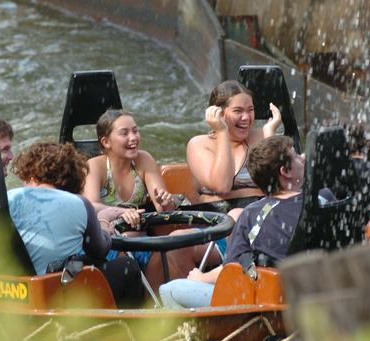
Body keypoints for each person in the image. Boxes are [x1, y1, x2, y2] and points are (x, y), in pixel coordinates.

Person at [160, 135, 333, 309]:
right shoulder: (324, 198)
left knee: (168, 290)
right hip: (326, 289)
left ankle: (204, 335)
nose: (302, 157)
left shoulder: (253, 215)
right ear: (285, 172)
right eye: (296, 156)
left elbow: (233, 270)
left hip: (273, 302)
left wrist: (201, 278)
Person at [82, 109, 221, 290]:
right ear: (106, 142)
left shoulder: (144, 159)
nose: (133, 137)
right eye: (124, 133)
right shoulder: (95, 166)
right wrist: (122, 213)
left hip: (144, 242)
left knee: (167, 252)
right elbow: (91, 206)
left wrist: (165, 202)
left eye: (135, 130)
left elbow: (164, 211)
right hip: (110, 245)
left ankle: (164, 305)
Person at [9, 142, 143, 307]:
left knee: (80, 260)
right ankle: (132, 326)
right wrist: (103, 220)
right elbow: (99, 250)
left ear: (32, 176)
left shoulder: (8, 198)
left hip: (15, 290)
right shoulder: (80, 203)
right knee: (127, 266)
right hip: (56, 288)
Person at [186, 80, 283, 213]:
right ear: (218, 114)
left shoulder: (264, 135)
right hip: (217, 220)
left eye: (250, 110)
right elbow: (222, 186)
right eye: (238, 111)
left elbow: (282, 183)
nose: (246, 117)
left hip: (260, 214)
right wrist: (222, 131)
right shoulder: (199, 144)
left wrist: (271, 137)